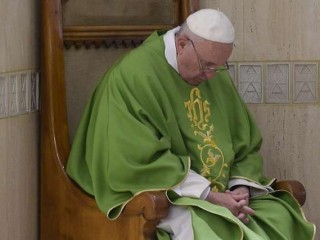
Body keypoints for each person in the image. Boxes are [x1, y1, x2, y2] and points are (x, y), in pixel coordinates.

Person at [66, 8, 315, 240]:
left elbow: (243, 143)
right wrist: (209, 194)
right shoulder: (133, 77)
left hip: (221, 192)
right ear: (182, 44)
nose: (210, 76)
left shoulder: (211, 71)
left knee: (279, 217)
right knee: (203, 228)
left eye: (218, 68)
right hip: (166, 194)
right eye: (206, 66)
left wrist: (240, 188)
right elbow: (133, 160)